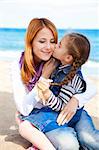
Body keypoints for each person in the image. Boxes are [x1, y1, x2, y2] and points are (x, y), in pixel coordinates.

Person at [11, 18, 98, 150]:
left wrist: (76, 100)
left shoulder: (60, 59)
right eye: (42, 41)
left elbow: (90, 87)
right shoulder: (19, 64)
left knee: (89, 139)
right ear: (31, 41)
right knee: (69, 144)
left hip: (69, 113)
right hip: (46, 116)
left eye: (53, 42)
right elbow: (24, 109)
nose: (49, 47)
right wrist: (44, 77)